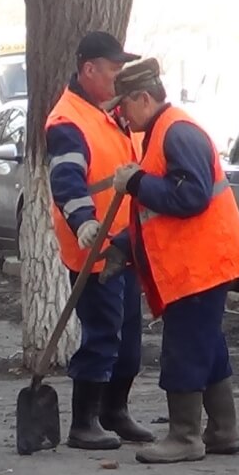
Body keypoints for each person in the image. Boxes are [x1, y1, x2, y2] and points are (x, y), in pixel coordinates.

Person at [105, 57, 239, 464]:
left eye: (124, 104)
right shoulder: (162, 132)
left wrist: (136, 182)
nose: (120, 112)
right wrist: (124, 244)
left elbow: (189, 198)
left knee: (184, 348)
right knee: (207, 346)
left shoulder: (177, 133)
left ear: (143, 97)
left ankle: (185, 437)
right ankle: (224, 430)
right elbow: (158, 216)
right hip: (199, 264)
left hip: (200, 266)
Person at [46, 31, 154, 450]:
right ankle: (83, 421)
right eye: (113, 70)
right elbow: (67, 179)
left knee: (128, 337)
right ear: (89, 69)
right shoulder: (67, 120)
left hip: (124, 244)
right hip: (92, 246)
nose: (119, 78)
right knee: (103, 332)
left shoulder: (107, 112)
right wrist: (84, 223)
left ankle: (115, 411)